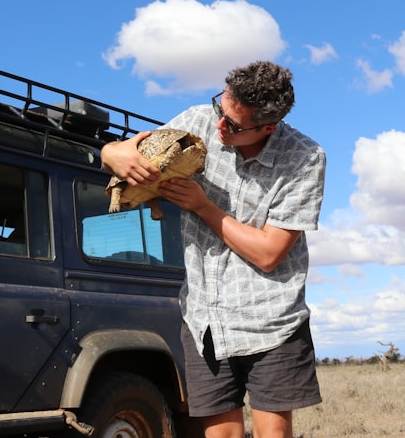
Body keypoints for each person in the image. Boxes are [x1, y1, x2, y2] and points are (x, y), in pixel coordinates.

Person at [101, 61, 324, 438]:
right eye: (221, 109)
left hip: (273, 318)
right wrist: (112, 152)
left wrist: (203, 206)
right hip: (204, 318)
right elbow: (129, 150)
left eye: (234, 126)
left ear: (268, 127)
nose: (219, 126)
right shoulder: (199, 119)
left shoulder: (305, 158)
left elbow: (270, 254)